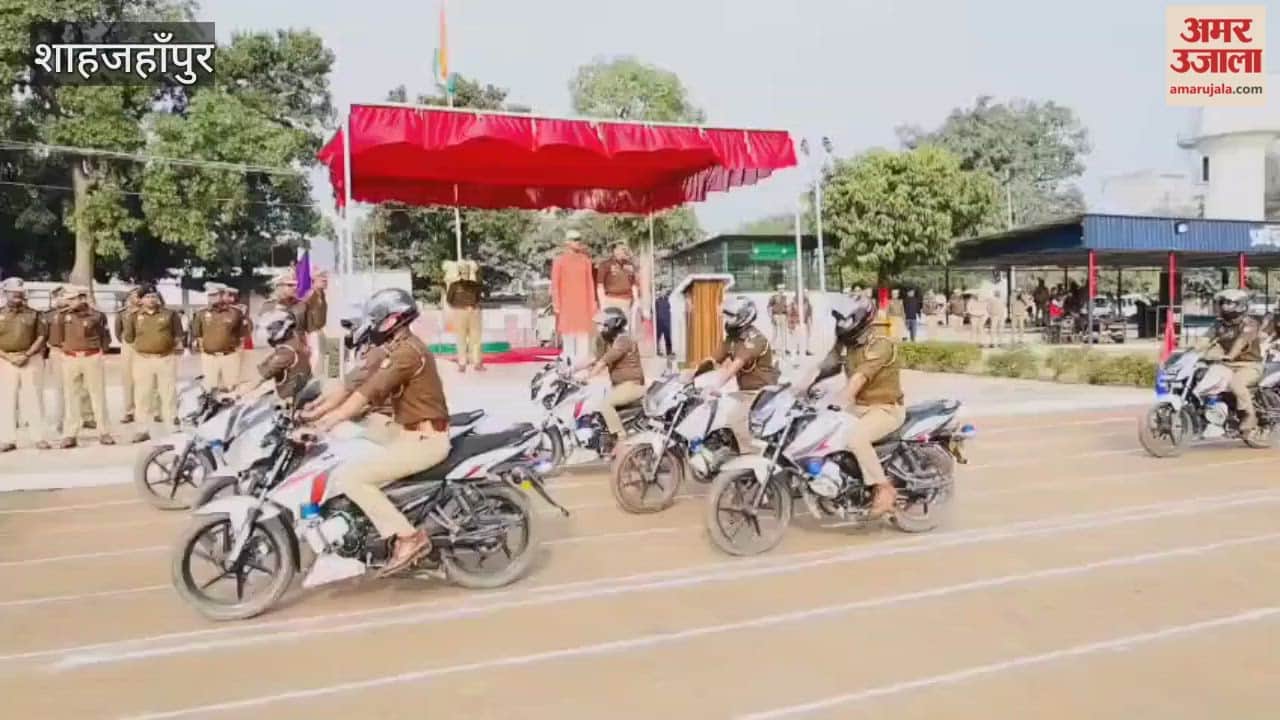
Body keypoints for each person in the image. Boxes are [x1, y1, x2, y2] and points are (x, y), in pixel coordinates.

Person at [300, 288, 449, 577]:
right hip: (405, 431)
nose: (370, 327)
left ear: (393, 319)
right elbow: (349, 387)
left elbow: (365, 396)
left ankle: (408, 537)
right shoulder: (395, 347)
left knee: (351, 477)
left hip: (425, 440)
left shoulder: (407, 352)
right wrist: (317, 414)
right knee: (346, 441)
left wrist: (323, 423)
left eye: (376, 321)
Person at [800, 294, 904, 515]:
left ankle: (883, 488)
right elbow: (828, 365)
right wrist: (800, 387)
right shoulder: (846, 340)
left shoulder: (880, 343)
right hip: (859, 407)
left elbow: (859, 379)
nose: (841, 325)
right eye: (839, 320)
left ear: (861, 318)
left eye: (846, 320)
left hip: (885, 408)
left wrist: (838, 399)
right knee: (823, 430)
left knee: (856, 438)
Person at [695, 296, 778, 453]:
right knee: (713, 412)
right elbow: (712, 360)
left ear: (743, 317)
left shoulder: (754, 340)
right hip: (744, 392)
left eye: (731, 315)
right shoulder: (732, 338)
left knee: (736, 419)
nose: (726, 319)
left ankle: (749, 457)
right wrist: (691, 376)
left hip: (760, 392)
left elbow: (734, 367)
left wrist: (714, 386)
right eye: (726, 314)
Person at [48, 285, 114, 448]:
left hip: (91, 357)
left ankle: (104, 432)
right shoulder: (61, 316)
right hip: (70, 358)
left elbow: (105, 337)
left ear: (82, 298)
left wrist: (100, 352)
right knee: (71, 397)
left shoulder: (98, 316)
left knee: (97, 395)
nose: (69, 302)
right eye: (68, 299)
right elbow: (56, 339)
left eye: (73, 299)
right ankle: (70, 434)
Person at [573, 307, 645, 451]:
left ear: (613, 324)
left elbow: (603, 362)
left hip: (632, 385)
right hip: (618, 386)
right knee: (595, 407)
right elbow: (593, 358)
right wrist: (571, 370)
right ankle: (604, 443)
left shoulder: (623, 340)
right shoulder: (609, 340)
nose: (600, 328)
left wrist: (588, 376)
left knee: (605, 404)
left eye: (603, 325)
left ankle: (621, 438)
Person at [122, 284, 185, 443]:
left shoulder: (169, 314)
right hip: (143, 359)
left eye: (154, 296)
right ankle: (142, 429)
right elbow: (129, 338)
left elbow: (178, 335)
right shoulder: (134, 316)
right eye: (147, 297)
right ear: (141, 300)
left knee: (168, 393)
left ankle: (172, 424)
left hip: (165, 358)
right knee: (142, 395)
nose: (151, 299)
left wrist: (167, 346)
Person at [0, 278, 50, 451]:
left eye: (20, 293)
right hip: (6, 360)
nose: (17, 295)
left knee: (34, 398)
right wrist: (8, 356)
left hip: (30, 358)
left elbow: (41, 336)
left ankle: (38, 437)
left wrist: (27, 354)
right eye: (13, 292)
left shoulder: (34, 314)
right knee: (7, 400)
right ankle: (8, 439)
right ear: (5, 293)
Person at [1204, 289, 1263, 432]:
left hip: (1250, 365)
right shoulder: (1219, 325)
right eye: (1222, 303)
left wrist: (1230, 355)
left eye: (1228, 303)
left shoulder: (1250, 324)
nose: (1224, 306)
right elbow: (1204, 340)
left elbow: (1241, 342)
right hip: (1227, 365)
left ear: (1240, 305)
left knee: (1235, 382)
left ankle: (1250, 415)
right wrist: (1190, 350)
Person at [228, 309, 312, 402]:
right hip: (302, 392)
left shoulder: (284, 355)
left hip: (290, 402)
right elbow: (263, 368)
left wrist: (234, 394)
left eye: (270, 330)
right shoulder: (294, 340)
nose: (268, 335)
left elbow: (257, 380)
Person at [550, 230, 598, 364]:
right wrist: (557, 304)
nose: (578, 242)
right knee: (569, 342)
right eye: (575, 239)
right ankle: (568, 370)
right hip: (567, 307)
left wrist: (592, 304)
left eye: (579, 239)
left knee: (583, 341)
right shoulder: (559, 261)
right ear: (567, 242)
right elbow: (555, 284)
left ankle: (582, 370)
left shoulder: (585, 261)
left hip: (583, 308)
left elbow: (590, 283)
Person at [270, 269, 328, 376]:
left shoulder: (308, 302)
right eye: (290, 285)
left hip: (306, 343)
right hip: (289, 347)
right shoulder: (273, 307)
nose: (294, 287)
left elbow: (312, 326)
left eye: (295, 284)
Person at [190, 283, 248, 390]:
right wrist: (204, 352)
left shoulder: (235, 313)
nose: (211, 298)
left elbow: (242, 335)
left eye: (214, 295)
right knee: (211, 388)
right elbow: (198, 335)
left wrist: (238, 353)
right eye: (209, 295)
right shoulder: (201, 314)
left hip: (230, 356)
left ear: (222, 295)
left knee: (231, 388)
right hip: (209, 357)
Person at [445, 260, 485, 373]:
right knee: (461, 338)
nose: (464, 272)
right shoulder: (454, 285)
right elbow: (449, 300)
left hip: (474, 312)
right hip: (460, 312)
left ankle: (477, 363)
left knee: (476, 339)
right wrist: (460, 307)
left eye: (466, 270)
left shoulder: (474, 285)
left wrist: (472, 307)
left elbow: (478, 298)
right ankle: (462, 363)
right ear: (459, 272)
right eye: (462, 270)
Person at [113, 288, 141, 423]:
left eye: (138, 296)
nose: (136, 298)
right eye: (133, 296)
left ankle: (149, 410)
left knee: (146, 379)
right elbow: (118, 332)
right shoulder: (123, 313)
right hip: (129, 347)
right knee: (128, 380)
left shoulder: (146, 311)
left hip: (145, 346)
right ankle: (129, 411)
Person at [767, 285, 790, 358]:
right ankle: (772, 348)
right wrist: (771, 317)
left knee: (783, 333)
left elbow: (786, 308)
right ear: (778, 289)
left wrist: (787, 316)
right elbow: (769, 307)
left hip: (783, 316)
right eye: (780, 289)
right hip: (776, 316)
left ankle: (784, 349)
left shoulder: (785, 298)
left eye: (783, 289)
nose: (782, 290)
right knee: (775, 334)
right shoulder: (774, 297)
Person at [654, 286, 673, 357]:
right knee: (657, 338)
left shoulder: (668, 300)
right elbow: (654, 311)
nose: (663, 292)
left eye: (665, 291)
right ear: (660, 292)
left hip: (667, 322)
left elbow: (670, 310)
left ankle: (669, 352)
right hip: (659, 322)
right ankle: (657, 351)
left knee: (668, 337)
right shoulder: (657, 301)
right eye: (662, 291)